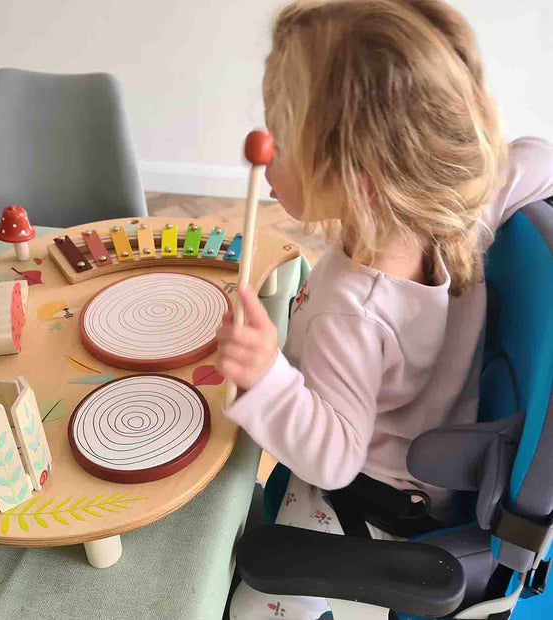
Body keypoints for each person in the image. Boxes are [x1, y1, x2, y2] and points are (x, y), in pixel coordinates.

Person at [216, 1, 553, 618]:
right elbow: (537, 155)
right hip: (440, 478)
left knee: (240, 599)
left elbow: (332, 457)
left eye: (283, 140)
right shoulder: (459, 215)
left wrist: (266, 378)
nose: (265, 155)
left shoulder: (352, 310)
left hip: (379, 510)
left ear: (357, 174)